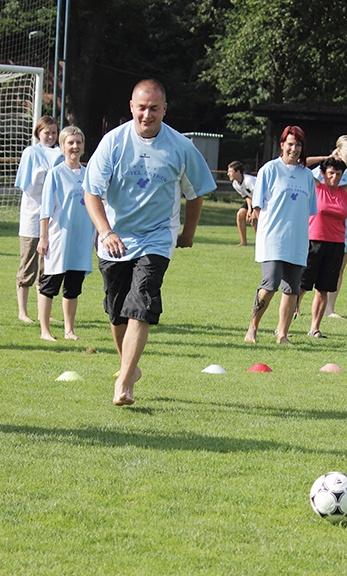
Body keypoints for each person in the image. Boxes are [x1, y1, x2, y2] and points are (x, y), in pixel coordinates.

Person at [83, 79, 216, 406]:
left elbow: (196, 192)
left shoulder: (180, 146)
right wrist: (106, 231)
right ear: (131, 107)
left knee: (140, 303)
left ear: (164, 110)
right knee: (117, 312)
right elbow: (92, 193)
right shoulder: (113, 143)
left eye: (154, 108)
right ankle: (129, 365)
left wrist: (188, 232)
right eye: (141, 108)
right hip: (114, 239)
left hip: (157, 237)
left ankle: (124, 382)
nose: (147, 114)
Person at [243, 126, 316, 345]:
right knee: (270, 283)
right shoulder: (269, 170)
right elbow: (257, 208)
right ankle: (252, 328)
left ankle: (282, 334)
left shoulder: (307, 176)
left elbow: (309, 210)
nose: (294, 149)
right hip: (272, 239)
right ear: (282, 145)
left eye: (298, 145)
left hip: (298, 240)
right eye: (290, 144)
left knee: (292, 288)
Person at [298, 155, 347, 338]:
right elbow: (301, 164)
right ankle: (285, 322)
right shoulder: (316, 187)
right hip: (314, 242)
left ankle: (314, 328)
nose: (335, 177)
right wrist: (326, 157)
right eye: (331, 173)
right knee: (302, 285)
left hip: (336, 245)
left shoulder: (345, 191)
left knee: (323, 288)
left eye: (338, 174)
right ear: (323, 174)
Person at [37, 126, 92, 341]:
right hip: (60, 238)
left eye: (78, 142)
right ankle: (45, 330)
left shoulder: (88, 174)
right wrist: (44, 237)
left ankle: (69, 330)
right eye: (70, 143)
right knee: (50, 284)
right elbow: (46, 209)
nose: (75, 147)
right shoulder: (55, 174)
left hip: (81, 239)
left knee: (73, 286)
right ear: (62, 146)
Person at [306, 135, 347, 319]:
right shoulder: (322, 171)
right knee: (307, 276)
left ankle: (330, 308)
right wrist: (326, 159)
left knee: (337, 271)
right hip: (319, 230)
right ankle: (295, 306)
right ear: (338, 150)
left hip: (344, 230)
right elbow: (303, 168)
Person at [14, 115, 62, 323]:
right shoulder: (31, 153)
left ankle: (45, 312)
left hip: (53, 219)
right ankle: (23, 311)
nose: (50, 136)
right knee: (28, 264)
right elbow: (28, 188)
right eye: (46, 132)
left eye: (53, 132)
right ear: (38, 133)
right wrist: (41, 177)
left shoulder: (60, 154)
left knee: (47, 267)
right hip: (33, 219)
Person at [226, 161, 256, 246]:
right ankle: (243, 242)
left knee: (253, 219)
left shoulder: (249, 181)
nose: (228, 174)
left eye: (230, 172)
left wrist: (254, 211)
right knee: (240, 215)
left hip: (262, 199)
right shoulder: (235, 184)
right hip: (252, 199)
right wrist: (250, 209)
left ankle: (261, 242)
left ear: (238, 172)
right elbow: (247, 196)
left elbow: (259, 196)